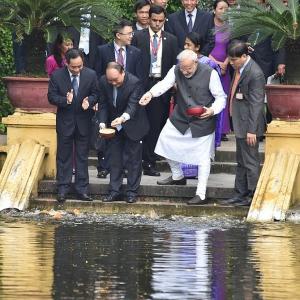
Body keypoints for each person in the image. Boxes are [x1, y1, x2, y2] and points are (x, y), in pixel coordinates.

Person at [139, 49, 226, 205]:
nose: (185, 72)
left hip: (202, 119)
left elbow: (221, 97)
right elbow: (165, 84)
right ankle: (178, 176)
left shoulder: (210, 73)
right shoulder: (176, 69)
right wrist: (150, 94)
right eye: (182, 68)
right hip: (180, 116)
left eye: (189, 69)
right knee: (163, 143)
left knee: (203, 157)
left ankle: (201, 193)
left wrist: (212, 110)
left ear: (196, 62)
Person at [132, 5, 179, 177]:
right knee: (136, 123)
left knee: (155, 125)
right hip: (140, 85)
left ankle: (150, 162)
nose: (157, 24)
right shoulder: (138, 37)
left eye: (161, 21)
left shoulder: (172, 40)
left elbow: (174, 65)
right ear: (148, 19)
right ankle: (134, 161)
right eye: (154, 20)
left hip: (160, 86)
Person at [48, 48, 99, 203]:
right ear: (66, 64)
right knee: (64, 156)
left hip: (84, 121)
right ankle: (63, 188)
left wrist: (89, 101)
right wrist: (65, 100)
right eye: (73, 67)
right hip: (65, 122)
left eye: (80, 66)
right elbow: (51, 97)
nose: (77, 70)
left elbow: (96, 94)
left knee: (82, 156)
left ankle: (82, 189)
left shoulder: (91, 74)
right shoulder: (57, 75)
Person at [95, 20, 142, 178]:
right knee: (106, 134)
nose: (131, 36)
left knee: (126, 138)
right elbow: (98, 75)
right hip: (109, 99)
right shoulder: (102, 50)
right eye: (128, 33)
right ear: (118, 35)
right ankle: (103, 167)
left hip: (128, 100)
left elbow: (138, 77)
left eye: (131, 33)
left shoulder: (136, 52)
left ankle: (124, 168)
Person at [98, 62, 149, 203]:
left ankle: (132, 192)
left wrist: (122, 118)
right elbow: (102, 104)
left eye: (116, 80)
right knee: (115, 159)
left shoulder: (134, 82)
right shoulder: (103, 81)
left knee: (133, 160)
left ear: (123, 73)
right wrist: (102, 122)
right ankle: (114, 191)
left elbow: (133, 106)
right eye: (110, 80)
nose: (113, 83)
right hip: (114, 126)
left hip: (133, 124)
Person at [225, 40, 266, 206]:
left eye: (234, 60)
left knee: (250, 161)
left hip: (249, 126)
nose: (231, 62)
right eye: (230, 59)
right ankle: (240, 193)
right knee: (241, 160)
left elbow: (257, 105)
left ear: (244, 56)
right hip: (240, 122)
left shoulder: (255, 73)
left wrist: (252, 130)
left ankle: (253, 195)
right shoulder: (240, 67)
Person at [209, 0, 231, 144]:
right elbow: (205, 46)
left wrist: (225, 63)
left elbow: (232, 47)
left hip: (225, 66)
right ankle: (211, 127)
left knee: (224, 96)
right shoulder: (208, 25)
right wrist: (215, 63)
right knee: (210, 96)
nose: (223, 11)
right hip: (210, 64)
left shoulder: (230, 27)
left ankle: (222, 130)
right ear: (214, 10)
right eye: (221, 8)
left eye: (226, 9)